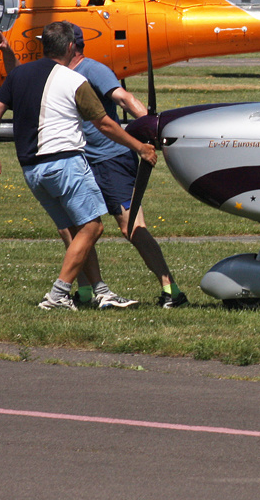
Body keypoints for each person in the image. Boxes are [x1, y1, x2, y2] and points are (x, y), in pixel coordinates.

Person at [0, 21, 157, 310]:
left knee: (78, 231)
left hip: (32, 170)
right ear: (70, 47)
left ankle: (100, 291)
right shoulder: (74, 81)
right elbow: (104, 124)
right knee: (93, 227)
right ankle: (58, 294)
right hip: (64, 163)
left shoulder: (20, 75)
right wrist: (140, 146)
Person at [65, 23, 188, 308]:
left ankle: (172, 291)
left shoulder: (92, 69)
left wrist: (152, 129)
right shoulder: (61, 74)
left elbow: (123, 97)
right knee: (78, 227)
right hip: (82, 159)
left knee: (131, 227)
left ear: (70, 46)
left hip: (111, 159)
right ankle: (85, 293)